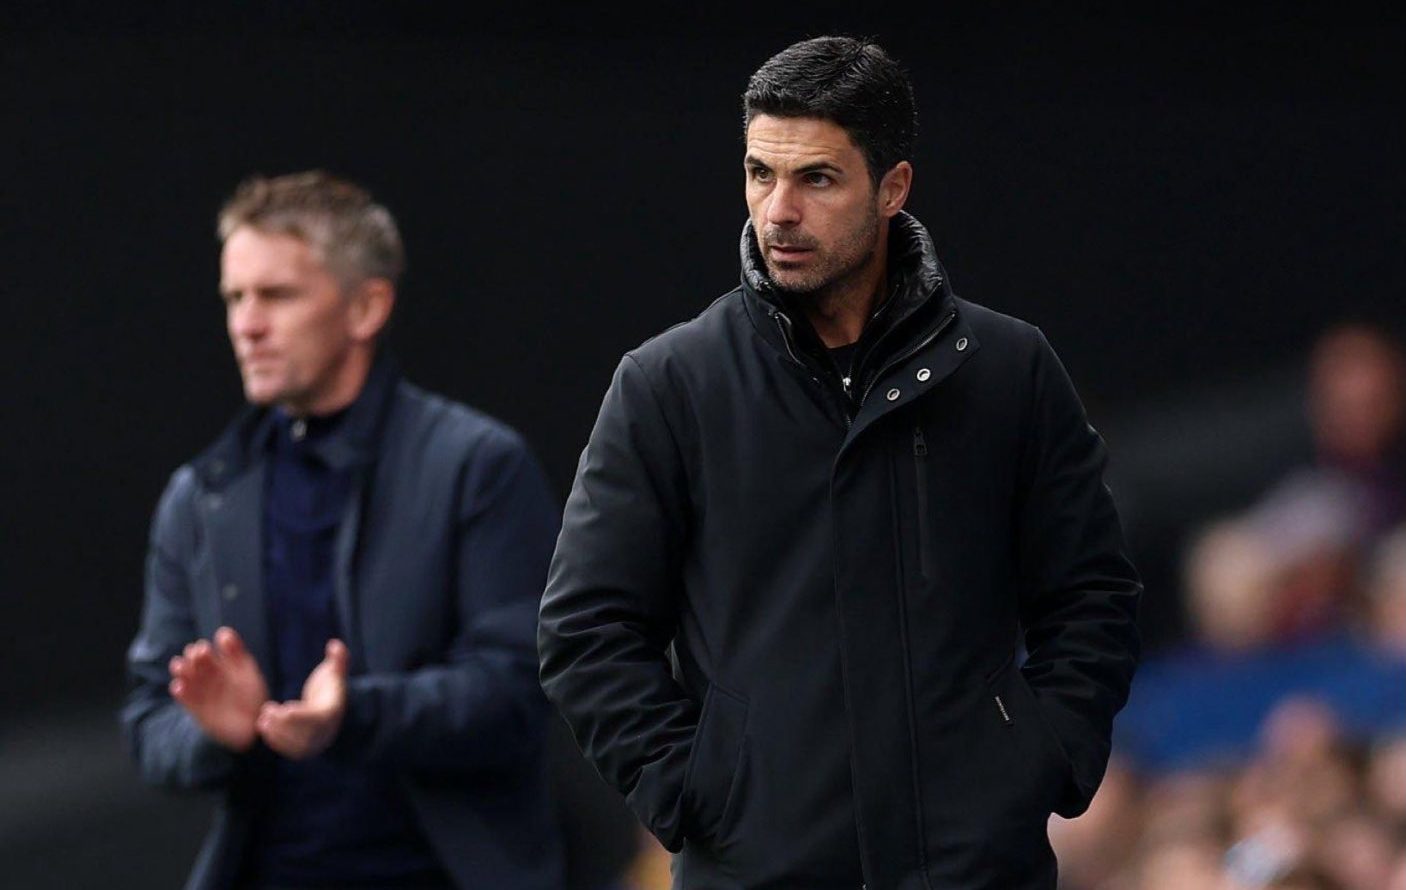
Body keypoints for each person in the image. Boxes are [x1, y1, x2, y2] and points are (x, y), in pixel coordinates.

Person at [539, 36, 1142, 889]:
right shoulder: (669, 384)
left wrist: (1041, 759)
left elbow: (1092, 594)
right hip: (760, 870)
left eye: (816, 178)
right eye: (760, 174)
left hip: (975, 868)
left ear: (893, 187)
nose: (778, 210)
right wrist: (698, 791)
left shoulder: (1009, 369)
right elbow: (585, 629)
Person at [122, 171, 563, 890]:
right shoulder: (200, 497)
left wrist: (354, 715)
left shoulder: (476, 466)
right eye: (234, 298)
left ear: (366, 307)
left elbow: (519, 692)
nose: (246, 325)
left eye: (277, 295)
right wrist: (214, 733)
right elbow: (148, 721)